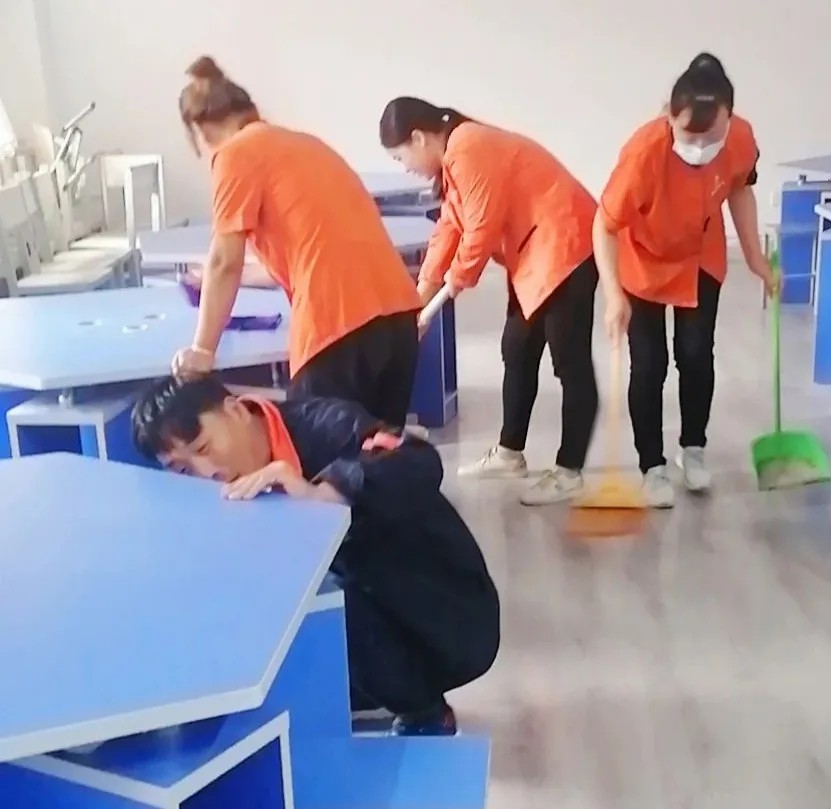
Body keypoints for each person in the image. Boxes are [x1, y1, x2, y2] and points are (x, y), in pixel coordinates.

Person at [131, 374, 500, 736]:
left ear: (236, 411)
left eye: (203, 448)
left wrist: (322, 495)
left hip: (444, 614)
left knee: (323, 589)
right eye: (182, 468)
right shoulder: (204, 492)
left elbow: (418, 459)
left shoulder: (327, 425)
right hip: (370, 623)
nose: (205, 473)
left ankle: (422, 711)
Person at [379, 97, 628, 506]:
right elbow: (450, 226)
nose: (404, 167)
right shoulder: (454, 160)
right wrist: (421, 294)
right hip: (534, 254)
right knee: (517, 348)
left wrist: (454, 282)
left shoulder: (468, 148)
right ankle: (510, 453)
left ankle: (569, 471)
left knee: (570, 362)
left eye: (400, 156)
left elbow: (481, 230)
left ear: (419, 138)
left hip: (565, 244)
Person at [170, 56, 420, 427]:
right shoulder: (306, 145)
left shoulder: (234, 155)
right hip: (397, 319)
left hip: (338, 327)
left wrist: (202, 350)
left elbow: (225, 261)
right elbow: (309, 252)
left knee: (319, 454)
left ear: (200, 131)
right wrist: (214, 277)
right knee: (382, 454)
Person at [593, 52, 777, 509]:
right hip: (643, 260)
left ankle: (693, 449)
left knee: (695, 355)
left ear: (729, 118)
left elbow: (739, 188)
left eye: (711, 136)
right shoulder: (643, 154)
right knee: (649, 364)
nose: (700, 147)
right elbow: (605, 225)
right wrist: (613, 295)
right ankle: (652, 466)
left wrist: (755, 258)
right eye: (689, 135)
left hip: (699, 255)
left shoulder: (740, 139)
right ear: (668, 116)